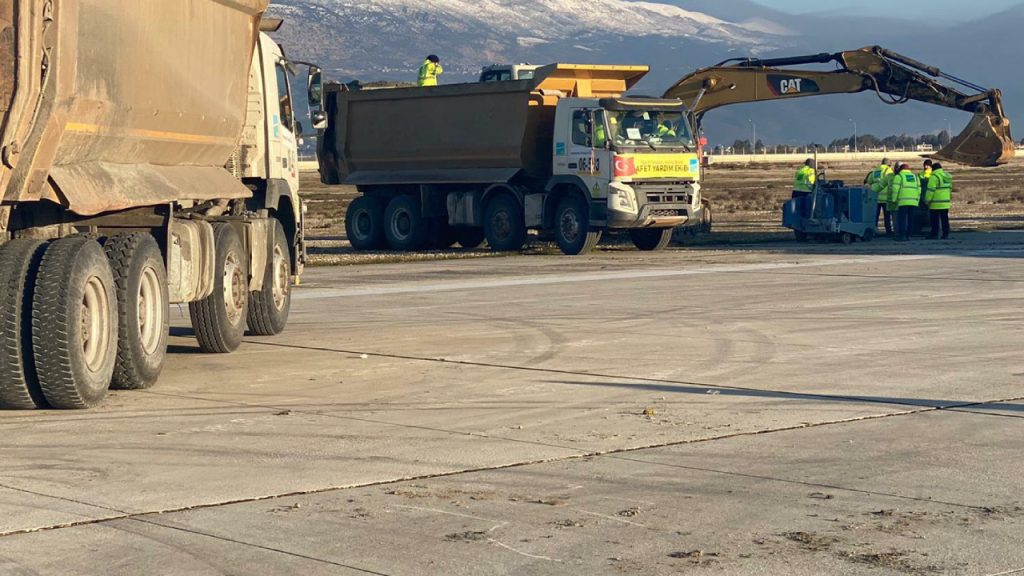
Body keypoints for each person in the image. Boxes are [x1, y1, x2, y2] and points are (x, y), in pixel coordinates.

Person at [891, 163, 921, 242]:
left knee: (902, 219)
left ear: (900, 170)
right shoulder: (915, 177)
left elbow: (895, 189)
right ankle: (909, 235)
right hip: (913, 202)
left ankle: (902, 236)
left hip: (903, 201)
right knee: (911, 219)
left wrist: (894, 200)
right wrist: (917, 200)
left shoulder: (899, 176)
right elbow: (919, 189)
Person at [865, 158, 894, 235]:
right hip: (885, 198)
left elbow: (869, 181)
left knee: (875, 216)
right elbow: (891, 181)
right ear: (889, 164)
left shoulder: (875, 171)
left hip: (876, 197)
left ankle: (873, 231)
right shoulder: (888, 170)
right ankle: (888, 232)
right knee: (887, 217)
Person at [925, 162, 953, 239]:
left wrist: (927, 200)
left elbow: (930, 190)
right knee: (945, 219)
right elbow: (950, 188)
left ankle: (934, 234)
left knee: (934, 220)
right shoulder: (947, 176)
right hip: (945, 202)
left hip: (935, 203)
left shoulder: (934, 177)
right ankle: (945, 234)